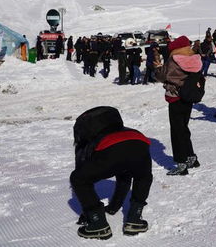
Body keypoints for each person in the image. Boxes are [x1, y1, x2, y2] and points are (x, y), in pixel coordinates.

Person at [71, 106, 152, 239]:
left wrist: (89, 213)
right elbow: (124, 177)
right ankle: (135, 220)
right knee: (142, 176)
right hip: (140, 143)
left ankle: (99, 225)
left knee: (78, 179)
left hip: (111, 148)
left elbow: (81, 170)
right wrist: (114, 207)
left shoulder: (90, 139)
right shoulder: (128, 130)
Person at [154, 36, 202, 176]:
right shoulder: (194, 58)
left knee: (176, 131)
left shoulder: (174, 59)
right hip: (188, 96)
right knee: (184, 128)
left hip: (175, 97)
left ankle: (181, 163)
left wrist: (158, 67)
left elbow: (161, 76)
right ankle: (191, 157)